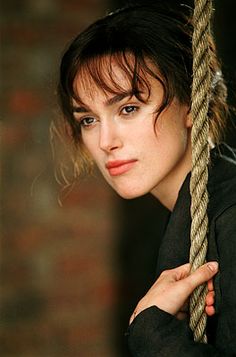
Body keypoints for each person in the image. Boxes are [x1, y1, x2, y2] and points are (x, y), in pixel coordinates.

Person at [57, 2, 236, 356]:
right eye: (88, 119)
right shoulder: (205, 208)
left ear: (192, 103)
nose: (106, 141)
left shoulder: (230, 219)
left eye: (128, 108)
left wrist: (151, 332)